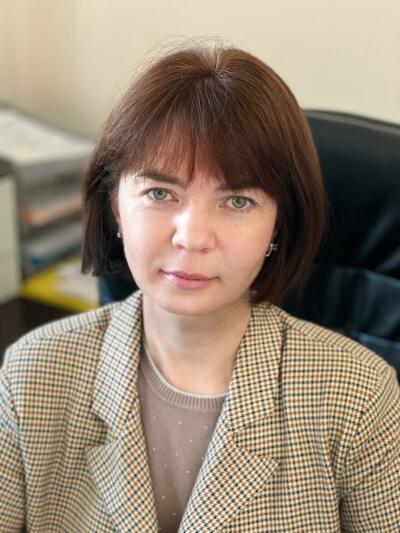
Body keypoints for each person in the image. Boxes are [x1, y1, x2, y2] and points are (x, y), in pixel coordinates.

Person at [1, 42, 399, 533]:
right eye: (160, 193)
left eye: (237, 202)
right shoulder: (34, 375)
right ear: (115, 207)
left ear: (278, 224)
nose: (191, 238)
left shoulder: (357, 395)